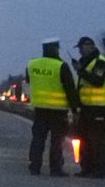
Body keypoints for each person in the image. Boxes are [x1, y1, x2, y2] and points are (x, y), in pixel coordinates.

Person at [26, 40, 72, 176]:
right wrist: (75, 108)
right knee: (57, 140)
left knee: (38, 139)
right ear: (56, 49)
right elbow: (70, 89)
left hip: (40, 109)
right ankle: (55, 168)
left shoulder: (32, 64)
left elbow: (29, 81)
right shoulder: (62, 66)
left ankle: (34, 167)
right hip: (58, 111)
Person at [72, 35, 105, 178]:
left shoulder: (101, 63)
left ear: (90, 46)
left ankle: (99, 170)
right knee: (84, 138)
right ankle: (86, 168)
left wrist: (80, 70)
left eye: (81, 48)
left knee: (97, 139)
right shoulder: (85, 63)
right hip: (86, 107)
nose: (80, 51)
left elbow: (97, 81)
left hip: (98, 107)